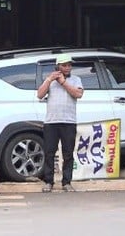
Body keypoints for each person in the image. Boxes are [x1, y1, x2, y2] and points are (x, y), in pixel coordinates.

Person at [36, 54, 83, 193]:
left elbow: (78, 94)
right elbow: (39, 94)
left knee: (68, 153)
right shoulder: (50, 80)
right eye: (64, 65)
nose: (67, 68)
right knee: (49, 152)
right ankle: (49, 181)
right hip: (51, 121)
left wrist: (63, 82)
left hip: (69, 121)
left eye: (69, 65)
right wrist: (50, 79)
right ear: (58, 66)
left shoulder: (75, 79)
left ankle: (66, 182)